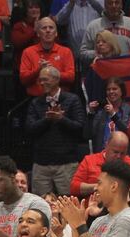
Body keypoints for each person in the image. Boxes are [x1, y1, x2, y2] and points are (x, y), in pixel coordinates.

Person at [25, 66, 85, 195]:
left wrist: (61, 119)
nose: (41, 83)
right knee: (40, 205)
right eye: (40, 80)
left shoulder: (72, 99)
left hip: (66, 164)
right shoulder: (36, 103)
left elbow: (80, 127)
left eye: (45, 79)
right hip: (41, 164)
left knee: (69, 203)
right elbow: (30, 129)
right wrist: (47, 119)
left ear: (56, 80)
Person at [71, 131, 130, 198]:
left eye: (122, 153)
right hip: (93, 206)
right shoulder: (89, 160)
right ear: (106, 145)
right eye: (115, 152)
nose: (118, 156)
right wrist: (99, 186)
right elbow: (74, 188)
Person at [19, 17, 75, 97]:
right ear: (38, 33)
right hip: (35, 99)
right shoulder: (28, 52)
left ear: (56, 33)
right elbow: (23, 79)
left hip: (61, 99)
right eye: (44, 28)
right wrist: (39, 70)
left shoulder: (66, 52)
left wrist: (53, 72)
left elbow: (71, 78)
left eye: (51, 27)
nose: (48, 30)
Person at [79, 0, 130, 64]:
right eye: (110, 3)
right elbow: (83, 53)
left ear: (121, 5)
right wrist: (97, 53)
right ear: (105, 5)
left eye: (117, 2)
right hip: (103, 71)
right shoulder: (93, 26)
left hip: (128, 69)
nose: (113, 6)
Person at [85, 77, 130, 153]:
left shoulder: (129, 110)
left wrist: (113, 115)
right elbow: (88, 135)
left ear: (122, 92)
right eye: (108, 89)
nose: (111, 91)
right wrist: (91, 113)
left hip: (124, 155)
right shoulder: (101, 113)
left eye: (114, 89)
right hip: (103, 155)